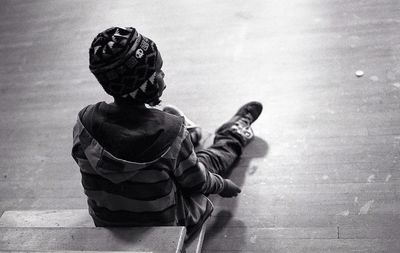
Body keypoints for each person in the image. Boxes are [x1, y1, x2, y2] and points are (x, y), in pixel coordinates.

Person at [71, 26, 263, 240]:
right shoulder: (170, 132)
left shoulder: (85, 120)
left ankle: (190, 136)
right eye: (158, 71)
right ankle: (233, 134)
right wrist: (222, 185)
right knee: (206, 162)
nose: (162, 74)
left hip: (107, 220)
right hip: (167, 226)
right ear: (147, 83)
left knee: (173, 154)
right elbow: (197, 182)